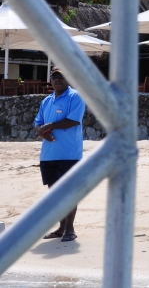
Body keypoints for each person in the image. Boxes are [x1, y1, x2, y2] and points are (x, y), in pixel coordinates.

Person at [34, 68, 86, 242]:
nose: (57, 80)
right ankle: (61, 228)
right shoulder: (46, 101)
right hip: (48, 155)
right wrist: (41, 132)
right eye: (54, 77)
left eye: (61, 77)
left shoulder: (75, 96)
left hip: (69, 154)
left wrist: (49, 126)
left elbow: (73, 120)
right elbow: (38, 123)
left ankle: (70, 229)